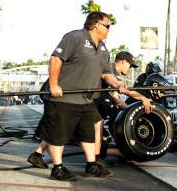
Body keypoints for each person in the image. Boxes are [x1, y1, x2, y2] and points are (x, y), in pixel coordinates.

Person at [36, 11, 138, 181]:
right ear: (96, 25)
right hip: (65, 97)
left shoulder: (104, 49)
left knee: (88, 134)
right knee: (59, 135)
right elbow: (55, 59)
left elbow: (106, 74)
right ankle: (58, 168)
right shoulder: (74, 38)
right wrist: (54, 84)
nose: (109, 29)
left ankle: (91, 165)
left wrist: (119, 84)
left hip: (86, 99)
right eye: (107, 26)